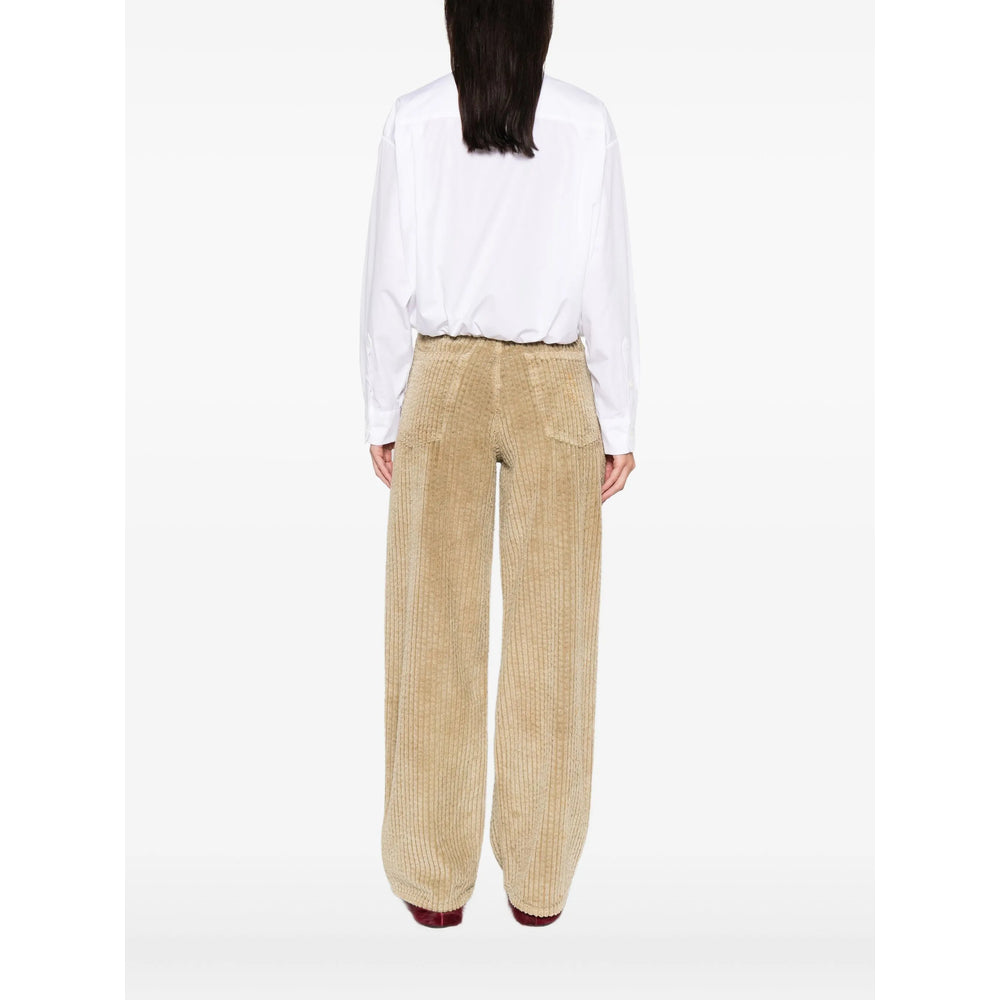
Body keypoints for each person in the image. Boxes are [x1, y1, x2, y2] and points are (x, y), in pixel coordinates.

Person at [359, 0, 639, 929]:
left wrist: (382, 406)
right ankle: (539, 881)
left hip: (441, 381)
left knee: (432, 630)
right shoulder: (585, 123)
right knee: (555, 636)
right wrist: (618, 416)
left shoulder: (413, 119)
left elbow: (389, 281)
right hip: (555, 384)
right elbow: (606, 281)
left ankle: (432, 877)